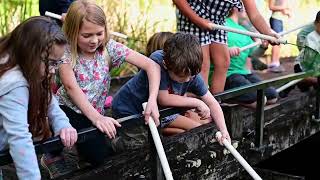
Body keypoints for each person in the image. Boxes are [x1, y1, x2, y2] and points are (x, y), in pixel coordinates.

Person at [55, 0, 160, 165]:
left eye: (99, 33)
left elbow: (151, 65)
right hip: (69, 109)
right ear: (72, 32)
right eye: (86, 35)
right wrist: (97, 119)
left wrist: (152, 100)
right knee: (95, 157)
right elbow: (71, 87)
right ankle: (54, 156)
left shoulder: (109, 48)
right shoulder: (66, 52)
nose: (94, 40)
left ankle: (82, 149)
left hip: (95, 110)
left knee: (101, 154)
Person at [112, 33, 230, 143]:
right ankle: (113, 142)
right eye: (181, 76)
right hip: (128, 109)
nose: (188, 80)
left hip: (155, 112)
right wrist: (197, 102)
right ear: (166, 65)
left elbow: (212, 103)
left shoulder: (190, 73)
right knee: (138, 144)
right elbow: (163, 98)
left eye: (191, 75)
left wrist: (224, 130)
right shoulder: (158, 61)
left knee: (155, 138)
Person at [0, 16, 77, 179]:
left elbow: (47, 97)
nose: (53, 70)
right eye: (50, 62)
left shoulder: (24, 63)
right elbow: (20, 140)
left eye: (57, 63)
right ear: (30, 52)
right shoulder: (15, 85)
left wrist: (62, 122)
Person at [173, 0, 279, 94]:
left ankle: (215, 101)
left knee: (223, 63)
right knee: (202, 65)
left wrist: (268, 33)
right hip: (193, 18)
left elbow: (254, 14)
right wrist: (199, 20)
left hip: (218, 21)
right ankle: (198, 106)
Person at [223, 8, 278, 108]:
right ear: (236, 8)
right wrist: (225, 51)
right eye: (244, 9)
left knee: (272, 96)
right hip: (228, 75)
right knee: (259, 100)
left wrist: (263, 47)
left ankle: (239, 98)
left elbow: (253, 55)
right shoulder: (222, 25)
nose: (246, 12)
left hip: (244, 73)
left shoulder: (244, 31)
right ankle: (227, 99)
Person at [294, 11, 320, 92]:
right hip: (303, 67)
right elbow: (309, 62)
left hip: (315, 69)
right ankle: (294, 81)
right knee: (311, 84)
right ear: (316, 23)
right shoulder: (311, 38)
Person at [268, 0, 291, 73]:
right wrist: (283, 8)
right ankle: (274, 63)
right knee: (276, 41)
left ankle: (276, 62)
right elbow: (271, 6)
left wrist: (287, 12)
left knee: (279, 42)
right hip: (276, 19)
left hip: (281, 20)